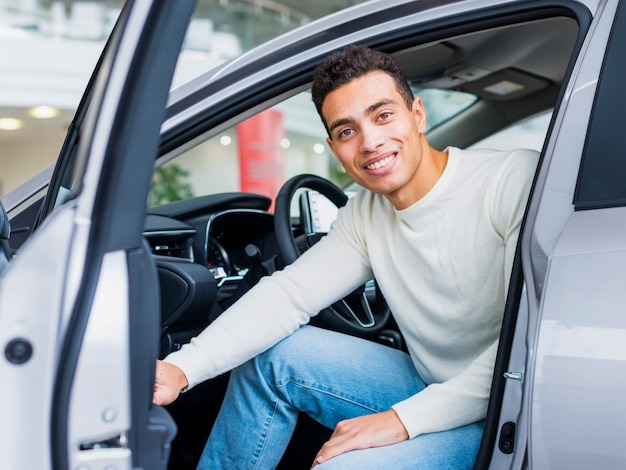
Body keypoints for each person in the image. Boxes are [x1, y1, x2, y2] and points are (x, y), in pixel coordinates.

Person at [153, 44, 538, 469]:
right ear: (335, 148)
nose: (371, 141)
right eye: (347, 130)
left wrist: (401, 420)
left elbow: (523, 350)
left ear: (418, 114)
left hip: (509, 409)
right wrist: (181, 369)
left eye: (383, 114)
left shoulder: (511, 181)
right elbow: (288, 296)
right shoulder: (365, 213)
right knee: (272, 358)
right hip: (431, 386)